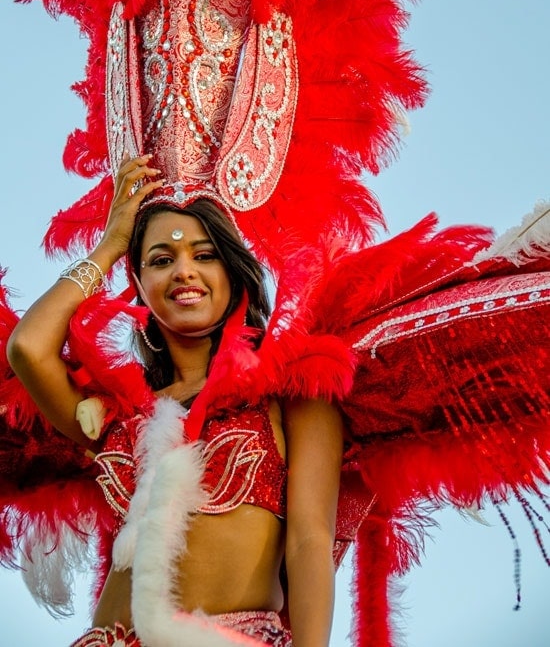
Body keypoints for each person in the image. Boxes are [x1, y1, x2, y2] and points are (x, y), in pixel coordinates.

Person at [7, 154, 344, 647]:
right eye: (162, 260)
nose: (184, 272)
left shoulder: (291, 391)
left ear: (234, 273)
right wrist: (110, 245)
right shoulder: (116, 412)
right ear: (140, 286)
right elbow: (27, 348)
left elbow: (310, 541)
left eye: (205, 255)